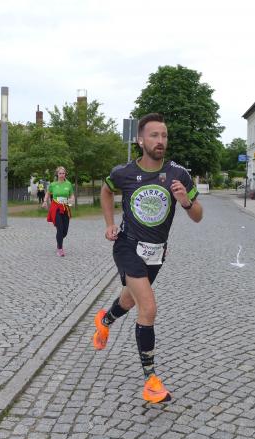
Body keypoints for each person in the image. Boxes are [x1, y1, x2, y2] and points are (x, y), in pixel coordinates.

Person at [93, 113, 203, 403]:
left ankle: (104, 320)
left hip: (156, 253)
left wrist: (186, 201)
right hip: (127, 246)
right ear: (140, 140)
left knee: (129, 301)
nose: (160, 141)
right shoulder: (124, 172)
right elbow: (106, 191)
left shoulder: (179, 174)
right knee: (149, 308)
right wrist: (109, 223)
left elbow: (198, 216)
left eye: (164, 136)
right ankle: (151, 381)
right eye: (154, 135)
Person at [43, 166, 75, 256]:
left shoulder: (68, 184)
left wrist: (72, 199)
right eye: (60, 173)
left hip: (65, 208)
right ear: (57, 174)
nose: (61, 175)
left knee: (65, 231)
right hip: (56, 208)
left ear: (65, 174)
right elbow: (48, 193)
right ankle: (60, 249)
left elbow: (72, 195)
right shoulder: (53, 184)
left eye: (63, 173)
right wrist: (45, 201)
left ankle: (59, 241)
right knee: (60, 228)